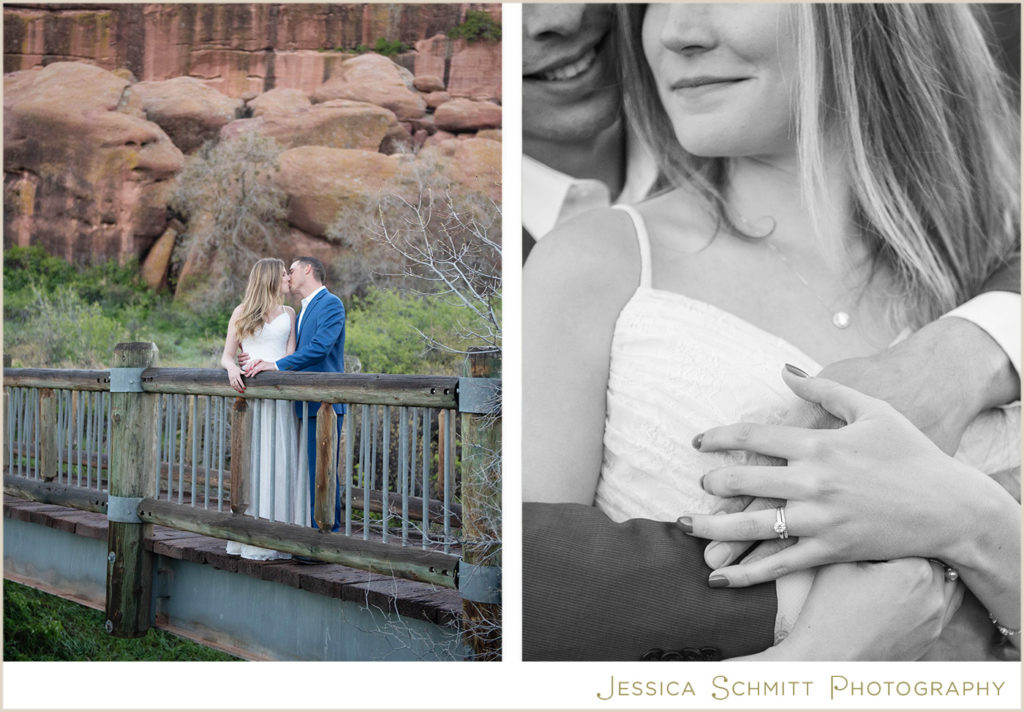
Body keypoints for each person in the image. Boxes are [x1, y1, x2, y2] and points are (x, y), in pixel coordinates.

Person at [523, 3, 1020, 660]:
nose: (678, 33)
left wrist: (976, 526)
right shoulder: (590, 267)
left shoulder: (993, 250)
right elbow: (525, 616)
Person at [245, 256, 347, 532]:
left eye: (291, 270)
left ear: (307, 269)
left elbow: (320, 348)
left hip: (324, 402)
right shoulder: (299, 312)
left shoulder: (331, 304)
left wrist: (276, 365)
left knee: (323, 474)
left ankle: (327, 540)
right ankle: (304, 536)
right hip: (300, 404)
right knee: (303, 475)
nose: (287, 277)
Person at [220, 258, 305, 560]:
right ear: (269, 278)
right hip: (252, 398)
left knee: (280, 459)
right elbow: (228, 356)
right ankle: (251, 532)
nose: (287, 279)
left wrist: (273, 367)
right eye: (283, 275)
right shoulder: (241, 313)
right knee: (252, 460)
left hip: (279, 396)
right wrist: (232, 370)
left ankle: (280, 532)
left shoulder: (290, 313)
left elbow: (291, 354)